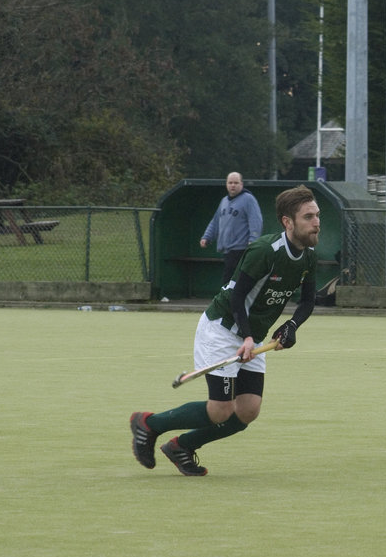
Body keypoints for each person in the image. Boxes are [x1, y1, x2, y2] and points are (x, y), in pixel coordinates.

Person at [130, 185, 321, 476]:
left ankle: (181, 446)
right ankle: (148, 424)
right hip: (222, 329)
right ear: (288, 222)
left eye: (317, 215)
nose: (316, 222)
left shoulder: (307, 257)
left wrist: (291, 326)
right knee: (221, 409)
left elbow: (308, 300)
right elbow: (235, 297)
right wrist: (245, 336)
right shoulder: (264, 251)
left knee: (247, 411)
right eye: (308, 217)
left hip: (250, 335)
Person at [200, 171, 264, 284]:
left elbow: (256, 221)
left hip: (241, 248)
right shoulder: (224, 201)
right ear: (226, 184)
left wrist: (253, 240)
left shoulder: (248, 199)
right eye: (230, 183)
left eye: (236, 182)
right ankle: (231, 300)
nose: (233, 185)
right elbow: (215, 221)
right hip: (227, 249)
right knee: (230, 280)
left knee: (230, 280)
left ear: (241, 184)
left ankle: (229, 301)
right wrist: (207, 237)